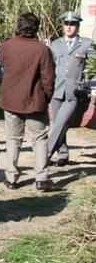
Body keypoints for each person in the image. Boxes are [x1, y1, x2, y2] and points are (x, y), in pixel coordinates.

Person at [0, 13, 55, 191]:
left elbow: (5, 69)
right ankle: (41, 179)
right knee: (39, 140)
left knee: (13, 139)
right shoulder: (42, 50)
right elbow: (48, 79)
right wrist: (46, 98)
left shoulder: (5, 47)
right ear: (36, 28)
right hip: (35, 102)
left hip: (11, 101)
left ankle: (11, 178)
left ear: (18, 26)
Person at [48, 11, 92, 166]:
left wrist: (88, 84)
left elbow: (93, 67)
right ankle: (63, 155)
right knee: (59, 123)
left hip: (74, 91)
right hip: (57, 89)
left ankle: (46, 154)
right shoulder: (55, 44)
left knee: (61, 121)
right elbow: (50, 67)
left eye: (72, 24)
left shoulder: (86, 44)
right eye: (66, 24)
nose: (69, 27)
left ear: (77, 26)